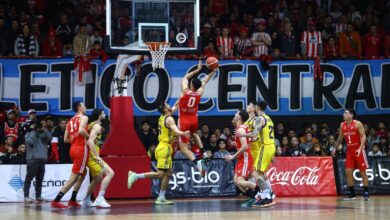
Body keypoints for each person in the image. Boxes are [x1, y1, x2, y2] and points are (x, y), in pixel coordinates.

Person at [127, 102, 189, 205]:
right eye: (167, 104)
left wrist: (183, 97)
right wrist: (185, 133)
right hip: (164, 148)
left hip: (164, 147)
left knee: (168, 173)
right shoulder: (169, 119)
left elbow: (176, 105)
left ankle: (161, 197)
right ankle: (135, 176)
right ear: (165, 109)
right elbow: (176, 132)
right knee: (160, 174)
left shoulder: (163, 116)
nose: (169, 105)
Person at [51, 102, 101, 208]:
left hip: (73, 148)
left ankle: (73, 199)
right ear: (79, 108)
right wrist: (91, 139)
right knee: (74, 177)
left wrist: (76, 140)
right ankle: (56, 200)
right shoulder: (84, 117)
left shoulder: (70, 120)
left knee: (83, 172)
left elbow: (65, 139)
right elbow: (81, 130)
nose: (85, 107)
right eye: (84, 106)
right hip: (81, 149)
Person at [177, 60, 217, 174]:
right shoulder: (199, 92)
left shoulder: (185, 92)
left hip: (184, 119)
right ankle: (203, 152)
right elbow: (205, 81)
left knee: (184, 148)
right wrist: (213, 72)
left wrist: (197, 70)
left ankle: (196, 161)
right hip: (194, 119)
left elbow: (185, 78)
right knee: (194, 134)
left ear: (191, 85)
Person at [80, 109, 115, 208]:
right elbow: (90, 141)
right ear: (99, 115)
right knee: (110, 173)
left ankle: (86, 200)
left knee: (98, 179)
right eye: (103, 113)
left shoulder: (91, 124)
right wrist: (97, 156)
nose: (104, 114)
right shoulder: (97, 126)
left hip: (90, 155)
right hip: (93, 156)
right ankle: (100, 198)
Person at [246, 101, 276, 208]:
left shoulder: (260, 118)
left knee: (255, 174)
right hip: (271, 146)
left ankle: (267, 196)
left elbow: (255, 134)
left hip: (265, 146)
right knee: (260, 173)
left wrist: (243, 134)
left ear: (257, 107)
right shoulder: (268, 118)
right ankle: (267, 196)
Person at [336, 109, 369, 201]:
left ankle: (366, 192)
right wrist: (335, 148)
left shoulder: (358, 123)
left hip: (359, 150)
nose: (343, 114)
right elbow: (340, 137)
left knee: (363, 172)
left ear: (351, 115)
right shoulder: (342, 124)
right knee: (348, 172)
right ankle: (352, 194)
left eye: (346, 113)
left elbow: (363, 136)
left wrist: (360, 148)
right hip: (349, 151)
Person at [225, 110, 256, 207]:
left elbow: (245, 146)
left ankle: (263, 191)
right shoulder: (240, 128)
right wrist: (236, 143)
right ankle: (252, 197)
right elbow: (249, 139)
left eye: (236, 114)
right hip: (244, 157)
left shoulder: (241, 130)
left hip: (245, 157)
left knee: (239, 181)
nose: (234, 114)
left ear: (240, 117)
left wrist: (232, 156)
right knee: (236, 180)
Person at [23, 120, 52, 203]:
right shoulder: (28, 134)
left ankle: (38, 196)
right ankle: (26, 196)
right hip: (32, 160)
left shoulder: (43, 134)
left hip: (42, 160)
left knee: (40, 179)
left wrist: (44, 129)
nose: (38, 127)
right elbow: (31, 141)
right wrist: (33, 131)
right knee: (29, 178)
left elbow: (50, 138)